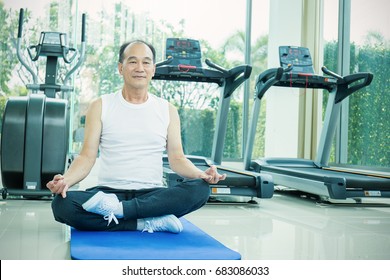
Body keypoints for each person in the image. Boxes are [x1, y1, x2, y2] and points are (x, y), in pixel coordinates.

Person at [46, 39, 226, 233]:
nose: (140, 67)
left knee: (200, 189)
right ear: (120, 68)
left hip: (151, 195)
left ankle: (121, 212)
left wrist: (201, 175)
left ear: (153, 69)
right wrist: (66, 180)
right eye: (133, 61)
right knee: (62, 205)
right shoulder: (100, 106)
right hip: (108, 194)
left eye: (146, 62)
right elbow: (86, 156)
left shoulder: (168, 110)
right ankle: (145, 222)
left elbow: (177, 158)